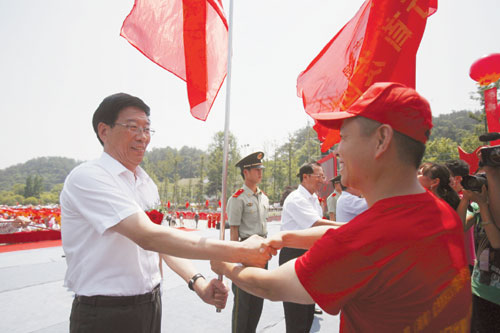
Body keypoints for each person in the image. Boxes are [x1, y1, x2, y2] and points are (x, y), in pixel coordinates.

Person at [212, 82, 471, 332]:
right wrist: (284, 237)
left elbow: (270, 286)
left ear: (381, 140)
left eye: (344, 137)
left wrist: (223, 264)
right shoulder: (443, 214)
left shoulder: (367, 239)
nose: (338, 151)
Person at [60, 93, 273, 333]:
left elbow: (163, 242)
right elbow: (149, 236)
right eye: (132, 127)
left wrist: (198, 282)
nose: (142, 137)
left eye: (147, 129)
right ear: (104, 131)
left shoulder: (144, 183)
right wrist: (239, 250)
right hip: (105, 313)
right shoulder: (89, 177)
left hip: (150, 305)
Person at [279, 162, 345, 332]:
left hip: (309, 254)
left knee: (308, 312)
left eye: (323, 177)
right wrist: (348, 227)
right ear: (305, 177)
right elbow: (315, 224)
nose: (322, 181)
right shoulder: (296, 199)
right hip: (293, 256)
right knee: (296, 316)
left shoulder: (313, 198)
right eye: (319, 176)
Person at [226, 151, 269, 333]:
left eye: (261, 169)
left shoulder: (263, 197)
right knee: (243, 304)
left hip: (262, 253)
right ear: (246, 172)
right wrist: (235, 260)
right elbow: (234, 231)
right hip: (244, 254)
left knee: (258, 299)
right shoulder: (238, 198)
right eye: (256, 169)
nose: (260, 173)